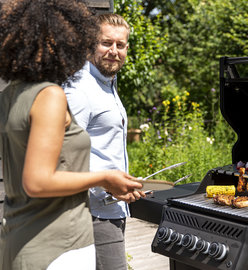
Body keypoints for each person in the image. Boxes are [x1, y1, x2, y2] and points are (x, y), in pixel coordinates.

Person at [0, 1, 144, 269]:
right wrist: (104, 178)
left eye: (121, 45)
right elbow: (39, 179)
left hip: (20, 236)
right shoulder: (54, 95)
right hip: (59, 241)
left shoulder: (11, 95)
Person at [63, 13, 143, 270]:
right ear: (90, 44)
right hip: (92, 213)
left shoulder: (108, 85)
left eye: (120, 45)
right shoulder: (80, 90)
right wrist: (106, 186)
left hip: (110, 208)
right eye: (106, 43)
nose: (114, 51)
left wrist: (120, 183)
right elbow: (63, 157)